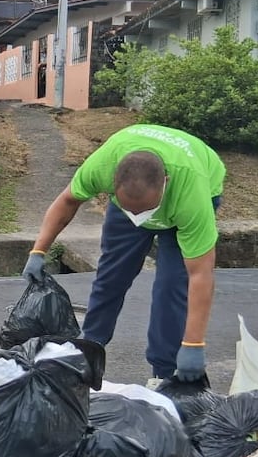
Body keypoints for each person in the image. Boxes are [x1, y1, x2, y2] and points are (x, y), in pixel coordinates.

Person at [23, 123, 226, 385]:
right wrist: (39, 250)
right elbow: (67, 201)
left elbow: (200, 274)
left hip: (185, 201)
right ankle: (90, 348)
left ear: (166, 182)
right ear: (112, 182)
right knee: (112, 273)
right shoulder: (103, 166)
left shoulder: (191, 195)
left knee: (172, 286)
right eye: (132, 211)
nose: (140, 219)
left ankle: (165, 371)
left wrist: (194, 343)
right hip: (136, 197)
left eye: (145, 211)